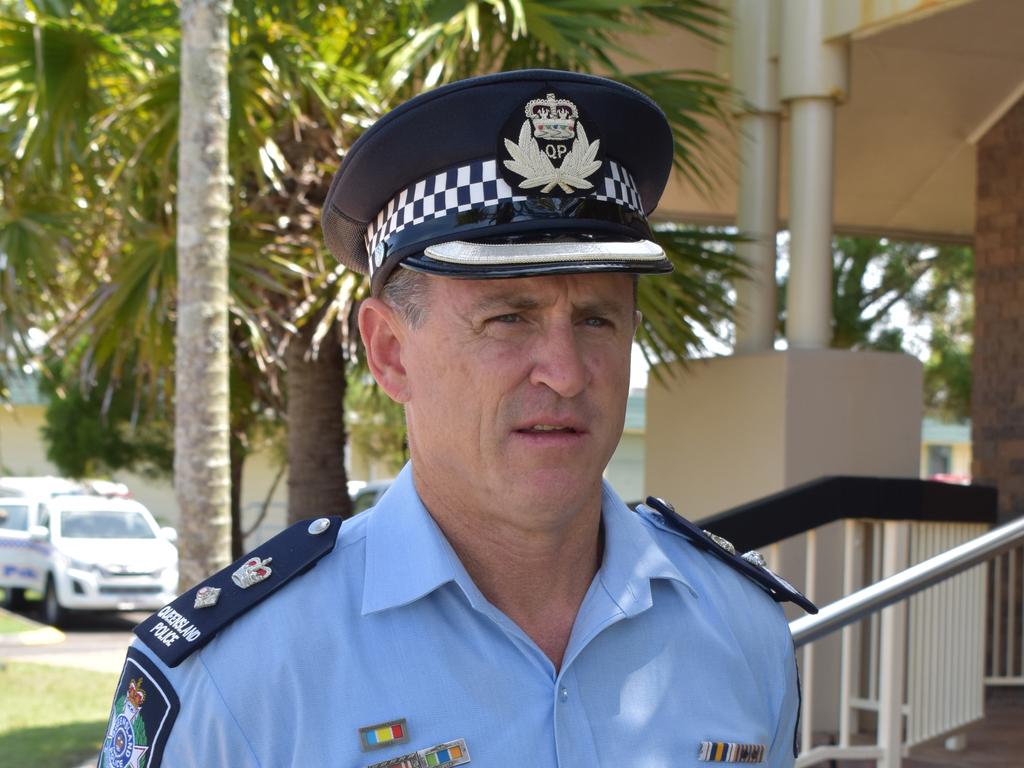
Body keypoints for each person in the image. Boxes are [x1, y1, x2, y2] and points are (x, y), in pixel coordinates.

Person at [99, 69, 814, 768]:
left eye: (598, 319)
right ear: (389, 353)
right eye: (509, 318)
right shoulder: (238, 678)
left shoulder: (743, 632)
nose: (564, 373)